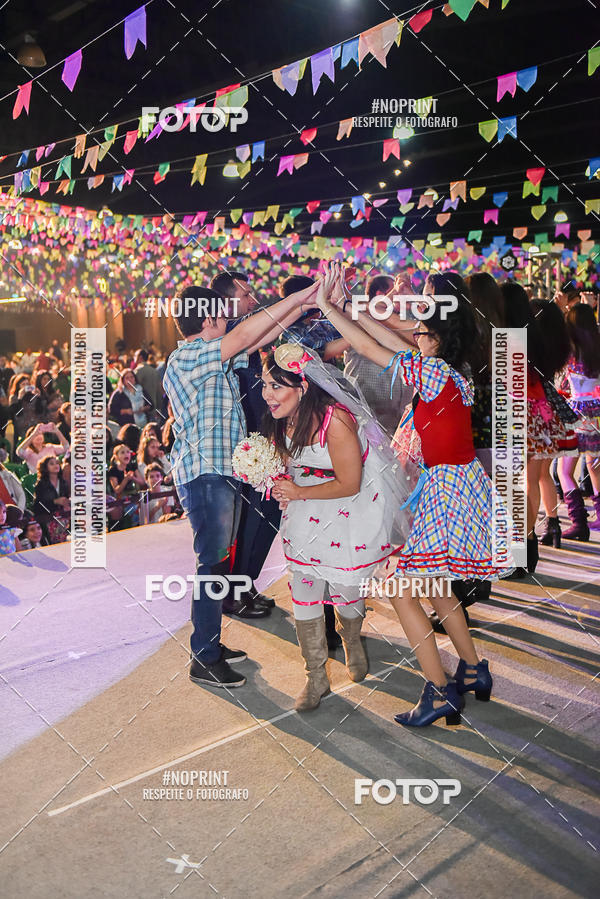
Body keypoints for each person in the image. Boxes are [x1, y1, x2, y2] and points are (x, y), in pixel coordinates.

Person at [315, 262, 513, 728]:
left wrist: (331, 306)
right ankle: (472, 670)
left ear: (434, 332)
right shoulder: (447, 367)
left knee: (403, 591)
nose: (412, 328)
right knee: (437, 590)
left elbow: (371, 344)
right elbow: (381, 333)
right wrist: (347, 305)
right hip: (452, 487)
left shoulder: (432, 371)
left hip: (444, 492)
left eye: (421, 324)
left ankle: (440, 691)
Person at [164, 280, 319, 689]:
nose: (229, 320)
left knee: (218, 563)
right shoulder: (188, 356)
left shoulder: (214, 356)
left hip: (219, 472)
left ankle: (210, 645)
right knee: (212, 564)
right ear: (208, 319)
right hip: (205, 473)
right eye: (222, 314)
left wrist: (303, 305)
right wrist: (300, 297)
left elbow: (260, 334)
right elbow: (248, 334)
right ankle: (204, 656)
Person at [267, 344, 414, 711]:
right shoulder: (282, 418)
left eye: (276, 386)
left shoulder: (336, 420)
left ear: (303, 386)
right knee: (304, 589)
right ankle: (315, 676)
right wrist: (273, 478)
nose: (267, 394)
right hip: (305, 511)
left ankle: (351, 639)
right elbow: (288, 463)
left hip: (349, 510)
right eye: (265, 385)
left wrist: (298, 491)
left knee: (346, 591)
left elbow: (350, 483)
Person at [343, 274, 415, 437]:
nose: (403, 297)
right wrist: (397, 290)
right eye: (396, 293)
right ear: (380, 296)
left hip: (396, 423)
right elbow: (371, 312)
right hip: (365, 417)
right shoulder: (360, 319)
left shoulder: (401, 324)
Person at [558, 302, 600, 535]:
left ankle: (578, 522)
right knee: (595, 467)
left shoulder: (570, 353)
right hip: (597, 412)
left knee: (565, 470)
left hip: (576, 413)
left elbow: (564, 384)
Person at [32, 456, 70, 544]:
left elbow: (66, 499)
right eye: (52, 464)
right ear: (45, 467)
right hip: (47, 517)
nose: (56, 465)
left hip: (62, 516)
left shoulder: (63, 482)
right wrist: (55, 501)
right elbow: (38, 506)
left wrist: (67, 504)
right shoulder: (41, 484)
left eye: (57, 463)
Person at [134, 349, 163, 414]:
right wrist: (159, 407)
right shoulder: (154, 371)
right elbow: (159, 391)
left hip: (142, 409)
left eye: (135, 355)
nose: (134, 357)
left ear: (140, 357)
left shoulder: (138, 370)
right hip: (154, 408)